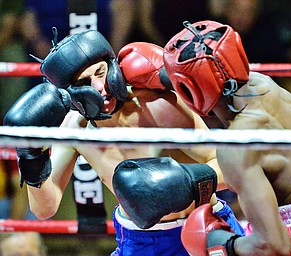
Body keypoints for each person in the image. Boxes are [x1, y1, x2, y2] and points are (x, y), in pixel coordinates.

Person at [4, 29, 244, 255]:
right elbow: (44, 209)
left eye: (100, 73)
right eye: (84, 83)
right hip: (138, 241)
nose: (99, 87)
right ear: (68, 93)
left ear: (113, 67)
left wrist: (185, 182)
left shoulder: (156, 105)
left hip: (204, 226)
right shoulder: (75, 131)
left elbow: (231, 169)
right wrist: (31, 154)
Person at [160, 20, 291, 255]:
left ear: (189, 90)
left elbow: (273, 246)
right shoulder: (269, 87)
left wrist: (222, 245)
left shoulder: (237, 145)